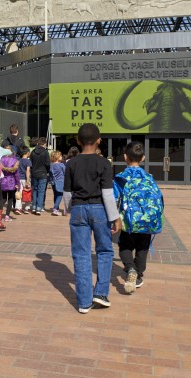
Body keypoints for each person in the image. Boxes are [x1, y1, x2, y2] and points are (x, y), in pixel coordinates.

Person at [63, 123, 122, 314]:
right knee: (105, 250)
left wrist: (71, 210)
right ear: (99, 141)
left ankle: (83, 302)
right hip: (100, 210)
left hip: (79, 208)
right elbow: (107, 194)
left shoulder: (70, 163)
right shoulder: (104, 163)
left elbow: (67, 193)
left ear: (78, 141)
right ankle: (101, 293)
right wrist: (115, 217)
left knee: (81, 254)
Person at [113, 141, 162, 294]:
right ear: (143, 158)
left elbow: (114, 199)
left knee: (125, 247)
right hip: (147, 221)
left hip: (127, 221)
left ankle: (131, 269)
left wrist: (114, 219)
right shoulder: (149, 178)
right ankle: (138, 274)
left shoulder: (120, 178)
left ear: (125, 157)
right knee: (143, 248)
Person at [30, 137, 50, 215]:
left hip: (34, 173)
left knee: (35, 190)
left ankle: (34, 207)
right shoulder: (45, 152)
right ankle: (39, 208)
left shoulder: (33, 152)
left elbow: (30, 164)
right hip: (43, 173)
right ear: (44, 144)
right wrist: (47, 171)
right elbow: (48, 164)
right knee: (41, 191)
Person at [0, 146, 20, 222]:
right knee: (10, 199)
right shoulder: (15, 160)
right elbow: (17, 174)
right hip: (12, 181)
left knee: (3, 199)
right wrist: (18, 184)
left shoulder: (1, 159)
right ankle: (7, 216)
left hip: (3, 181)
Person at [14, 146, 31, 214]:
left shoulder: (19, 160)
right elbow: (28, 171)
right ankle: (27, 208)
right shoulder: (28, 161)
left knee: (19, 193)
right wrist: (27, 180)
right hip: (24, 178)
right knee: (27, 193)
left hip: (18, 178)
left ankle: (18, 208)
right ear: (27, 153)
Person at [49, 150, 66, 216]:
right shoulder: (61, 165)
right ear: (57, 157)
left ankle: (57, 208)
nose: (61, 157)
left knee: (55, 195)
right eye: (60, 156)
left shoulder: (51, 165)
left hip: (53, 182)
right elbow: (65, 173)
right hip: (61, 182)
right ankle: (55, 208)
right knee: (60, 195)